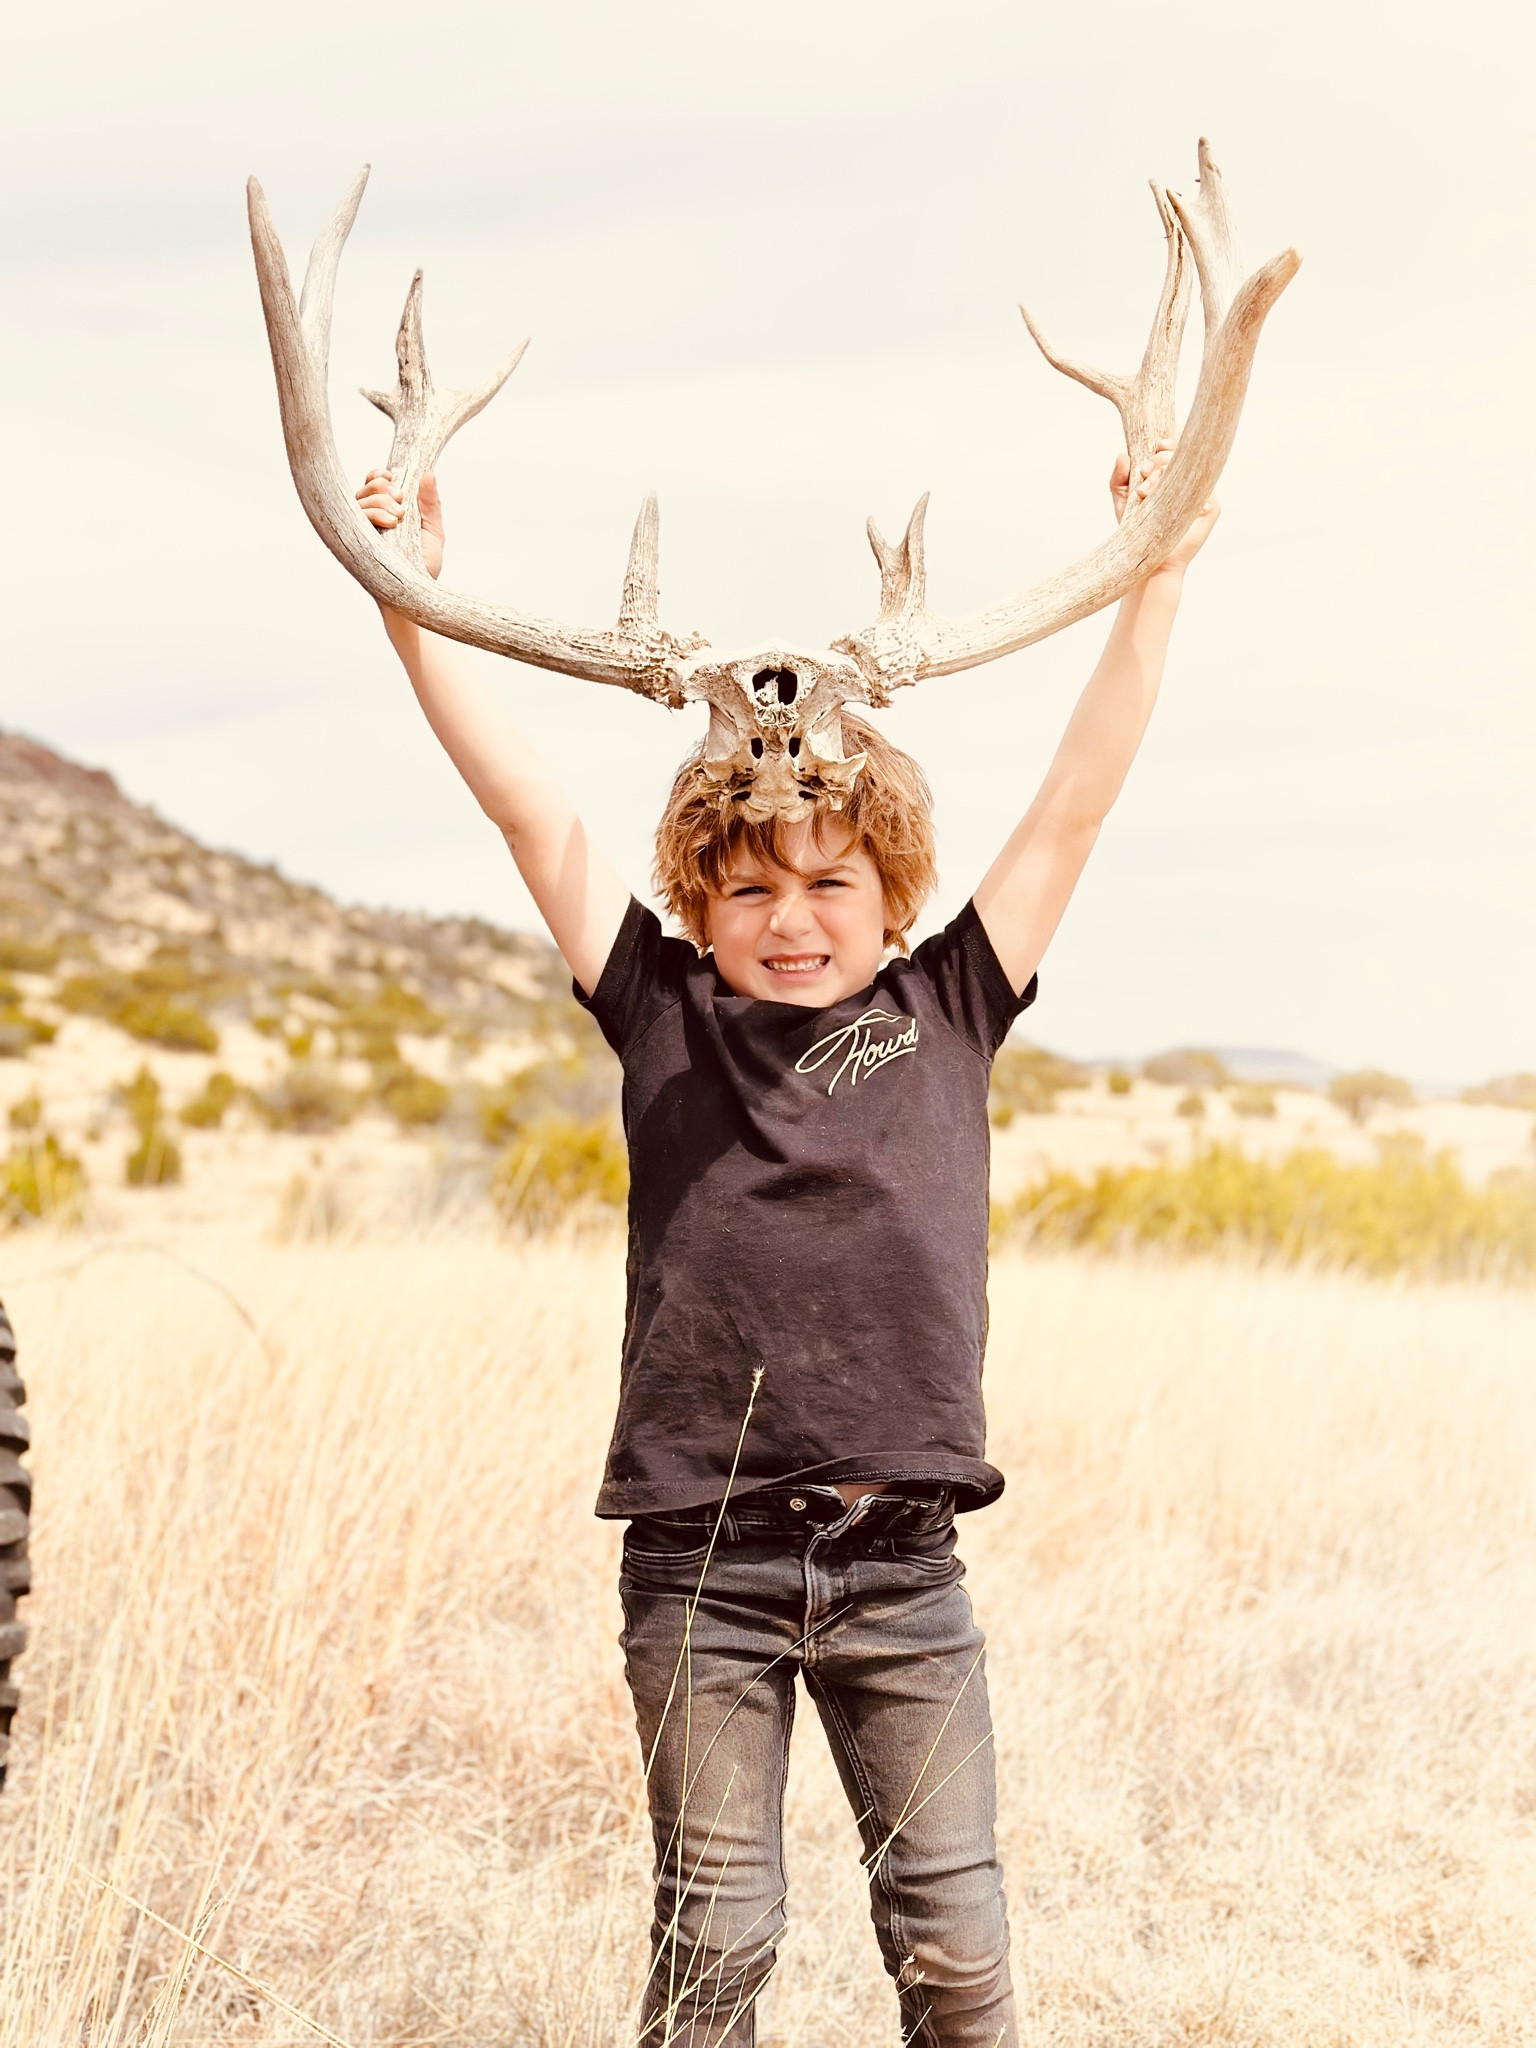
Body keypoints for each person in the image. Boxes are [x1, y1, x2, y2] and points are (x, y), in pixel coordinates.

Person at [357, 445, 1217, 2048]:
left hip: (904, 1570)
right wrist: (414, 609)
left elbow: (1078, 794)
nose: (792, 916)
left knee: (958, 1956)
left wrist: (1155, 568)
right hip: (705, 1570)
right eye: (747, 887)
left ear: (895, 897)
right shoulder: (660, 1010)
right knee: (716, 1953)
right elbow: (529, 811)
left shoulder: (950, 1004)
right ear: (698, 895)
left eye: (832, 882)